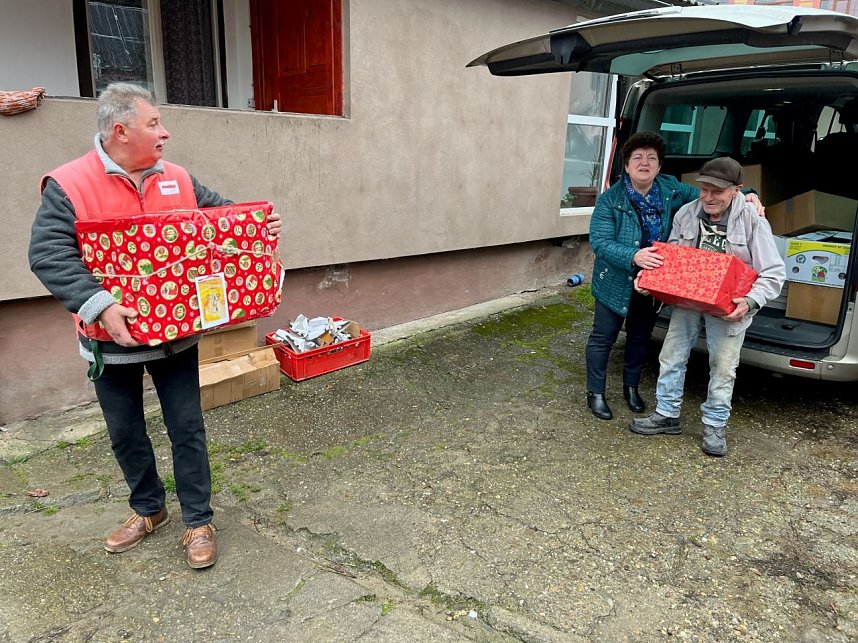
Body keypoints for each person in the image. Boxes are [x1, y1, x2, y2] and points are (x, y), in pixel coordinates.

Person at [28, 82, 282, 568]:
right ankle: (149, 510)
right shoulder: (69, 184)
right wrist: (99, 305)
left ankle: (198, 521)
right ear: (121, 131)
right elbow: (48, 254)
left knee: (186, 427)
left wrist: (257, 225)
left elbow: (220, 218)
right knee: (125, 432)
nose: (165, 133)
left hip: (176, 338)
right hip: (109, 342)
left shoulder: (178, 178)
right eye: (153, 124)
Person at [585, 132, 763, 421]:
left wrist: (748, 195)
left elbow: (712, 195)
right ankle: (596, 393)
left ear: (659, 166)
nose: (645, 163)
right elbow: (600, 242)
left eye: (651, 158)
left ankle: (631, 388)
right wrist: (633, 256)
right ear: (627, 165)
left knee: (640, 336)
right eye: (637, 158)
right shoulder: (609, 200)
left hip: (654, 281)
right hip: (615, 281)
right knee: (603, 338)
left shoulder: (670, 189)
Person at [629, 157, 785, 456]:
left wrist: (751, 301)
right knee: (671, 354)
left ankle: (714, 425)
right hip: (689, 299)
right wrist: (649, 279)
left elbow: (774, 272)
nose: (709, 197)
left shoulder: (753, 220)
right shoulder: (686, 214)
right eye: (704, 189)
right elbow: (673, 259)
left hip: (729, 306)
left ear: (737, 190)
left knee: (723, 367)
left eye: (718, 191)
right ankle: (666, 414)